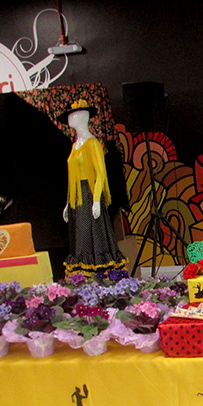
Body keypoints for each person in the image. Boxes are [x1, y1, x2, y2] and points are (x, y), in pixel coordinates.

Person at [58, 99, 127, 276]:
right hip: (77, 196)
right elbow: (72, 177)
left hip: (89, 193)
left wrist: (96, 200)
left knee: (93, 232)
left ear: (83, 117)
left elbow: (100, 173)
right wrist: (68, 202)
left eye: (74, 115)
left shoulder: (92, 143)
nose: (71, 119)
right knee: (81, 235)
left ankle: (101, 273)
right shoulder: (75, 146)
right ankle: (83, 274)